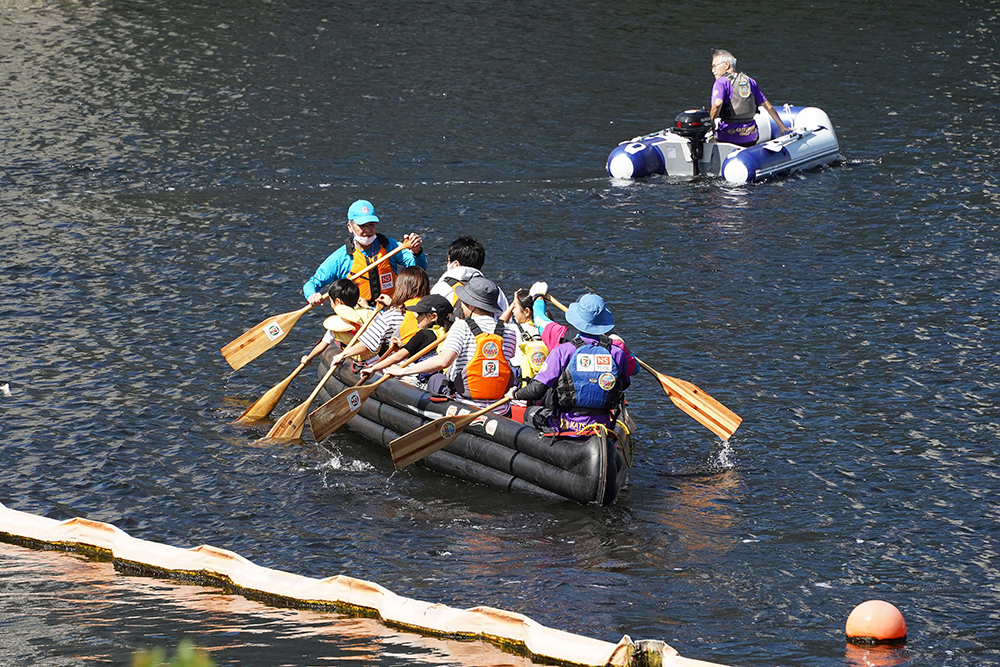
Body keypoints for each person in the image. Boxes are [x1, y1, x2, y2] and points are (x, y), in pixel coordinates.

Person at [384, 276, 517, 413]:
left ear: (471, 305)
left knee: (437, 379)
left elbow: (444, 361)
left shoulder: (462, 326)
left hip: (465, 408)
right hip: (501, 410)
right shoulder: (510, 331)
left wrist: (402, 371)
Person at [509, 293, 635, 432]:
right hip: (602, 424)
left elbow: (537, 389)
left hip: (567, 424)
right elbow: (624, 383)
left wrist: (515, 394)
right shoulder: (617, 352)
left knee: (530, 413)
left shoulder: (562, 351)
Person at [303, 199, 427, 306]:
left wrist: (416, 251)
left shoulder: (391, 246)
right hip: (359, 316)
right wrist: (312, 295)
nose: (368, 230)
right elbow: (312, 283)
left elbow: (420, 268)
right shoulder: (340, 258)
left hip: (390, 309)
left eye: (371, 225)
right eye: (362, 226)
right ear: (350, 227)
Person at [327, 266, 430, 367]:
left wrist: (343, 355)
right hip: (428, 367)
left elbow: (368, 343)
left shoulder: (394, 314)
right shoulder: (432, 312)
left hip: (400, 371)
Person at [359, 294, 453, 389]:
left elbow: (398, 357)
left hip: (427, 384)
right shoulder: (449, 331)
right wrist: (402, 345)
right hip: (445, 382)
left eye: (420, 314)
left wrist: (373, 368)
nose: (416, 318)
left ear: (433, 317)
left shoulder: (424, 335)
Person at [708, 49, 789, 147]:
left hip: (728, 136)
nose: (713, 70)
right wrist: (782, 126)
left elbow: (717, 104)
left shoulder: (721, 82)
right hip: (751, 135)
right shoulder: (750, 81)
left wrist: (711, 123)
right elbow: (768, 106)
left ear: (726, 65)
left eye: (714, 66)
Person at [299, 279, 374, 367]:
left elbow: (322, 346)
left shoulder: (337, 324)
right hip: (378, 357)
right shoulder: (369, 313)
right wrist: (367, 307)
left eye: (331, 301)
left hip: (363, 362)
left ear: (338, 302)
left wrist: (308, 358)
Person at [431, 236, 509, 316]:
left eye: (448, 261)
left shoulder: (442, 287)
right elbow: (506, 321)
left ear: (455, 264)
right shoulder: (494, 290)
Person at [499, 287, 547, 383]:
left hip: (520, 383)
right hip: (541, 382)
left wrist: (512, 304)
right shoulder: (546, 329)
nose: (513, 311)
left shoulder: (515, 329)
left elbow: (499, 325)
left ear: (527, 312)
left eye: (515, 307)